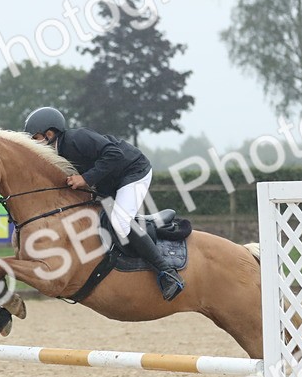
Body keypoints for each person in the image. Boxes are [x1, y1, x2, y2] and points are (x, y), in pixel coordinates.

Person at [22, 107, 185, 301]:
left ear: (49, 134)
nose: (33, 144)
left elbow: (114, 154)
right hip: (111, 182)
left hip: (134, 171)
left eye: (35, 138)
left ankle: (168, 274)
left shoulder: (77, 138)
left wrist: (85, 178)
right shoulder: (57, 154)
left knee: (120, 222)